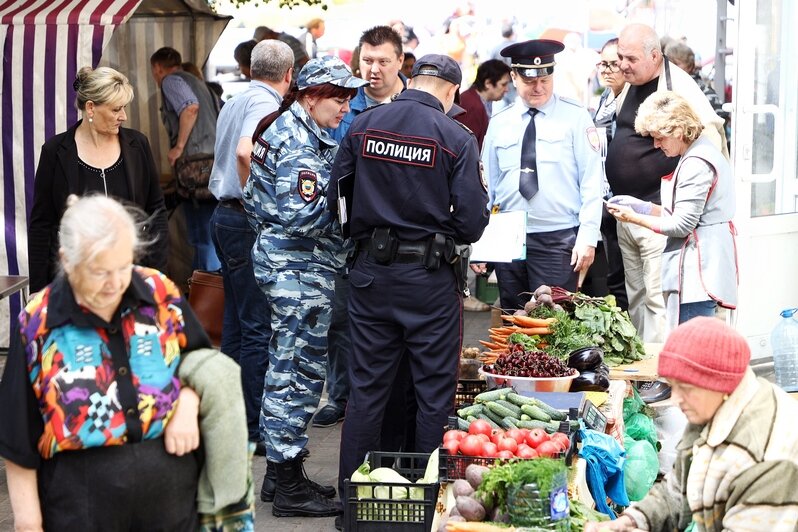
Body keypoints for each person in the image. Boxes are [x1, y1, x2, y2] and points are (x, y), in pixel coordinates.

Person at [329, 53, 489, 513]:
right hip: (428, 280)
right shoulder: (456, 137)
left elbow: (336, 198)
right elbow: (474, 220)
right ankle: (429, 505)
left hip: (370, 277)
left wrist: (364, 234)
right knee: (433, 392)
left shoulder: (364, 125)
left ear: (411, 78)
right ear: (453, 92)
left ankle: (352, 506)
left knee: (366, 391)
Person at [0, 195, 211, 530]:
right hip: (80, 510)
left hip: (174, 505)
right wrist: (28, 522)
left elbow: (202, 363)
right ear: (67, 261)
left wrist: (187, 401)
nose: (115, 283)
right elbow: (18, 437)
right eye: (100, 272)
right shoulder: (37, 322)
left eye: (123, 266)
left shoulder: (159, 292)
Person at [242, 56, 368, 518]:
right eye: (339, 97)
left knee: (288, 368)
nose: (345, 106)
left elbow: (258, 204)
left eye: (350, 97)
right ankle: (289, 484)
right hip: (298, 271)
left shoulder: (298, 130)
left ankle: (280, 473)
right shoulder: (297, 141)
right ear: (311, 97)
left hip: (292, 265)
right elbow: (301, 216)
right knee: (297, 375)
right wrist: (350, 208)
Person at [584, 317, 798, 532]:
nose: (676, 398)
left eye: (684, 387)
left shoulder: (768, 458)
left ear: (719, 384)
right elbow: (679, 488)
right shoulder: (714, 406)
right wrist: (630, 522)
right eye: (672, 386)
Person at [604, 23, 727, 343]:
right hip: (630, 212)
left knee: (659, 301)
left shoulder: (680, 87)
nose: (623, 65)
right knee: (637, 299)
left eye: (630, 58)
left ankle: (660, 373)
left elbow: (709, 141)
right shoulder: (630, 83)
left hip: (660, 215)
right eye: (620, 57)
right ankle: (644, 368)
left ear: (655, 55)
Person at [312, 25, 408, 430]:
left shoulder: (414, 108)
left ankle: (391, 396)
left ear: (400, 62)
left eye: (383, 61)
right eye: (367, 60)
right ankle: (340, 395)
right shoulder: (344, 109)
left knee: (395, 321)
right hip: (345, 234)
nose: (374, 69)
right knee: (341, 319)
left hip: (401, 235)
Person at [208, 40, 293, 461]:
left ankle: (235, 422)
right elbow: (246, 151)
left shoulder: (237, 98)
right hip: (243, 218)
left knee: (237, 327)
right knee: (256, 326)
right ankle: (255, 428)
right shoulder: (263, 103)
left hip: (225, 216)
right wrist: (260, 201)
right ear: (289, 74)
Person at [479, 39, 603, 310]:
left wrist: (588, 237)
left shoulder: (575, 117)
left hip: (556, 235)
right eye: (529, 80)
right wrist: (481, 239)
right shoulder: (500, 123)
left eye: (545, 79)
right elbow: (487, 185)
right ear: (513, 77)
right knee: (513, 321)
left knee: (553, 324)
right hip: (507, 235)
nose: (538, 87)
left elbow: (593, 181)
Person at [27, 66, 168, 294]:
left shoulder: (137, 145)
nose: (123, 116)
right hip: (75, 283)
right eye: (116, 110)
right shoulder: (55, 152)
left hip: (132, 278)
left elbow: (157, 211)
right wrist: (39, 289)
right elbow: (42, 224)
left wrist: (157, 274)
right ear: (91, 107)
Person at [606, 91, 737, 330]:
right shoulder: (699, 151)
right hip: (700, 266)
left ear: (678, 130)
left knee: (689, 347)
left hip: (697, 272)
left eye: (659, 138)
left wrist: (633, 217)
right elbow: (679, 213)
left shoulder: (697, 163)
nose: (656, 145)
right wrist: (642, 206)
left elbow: (682, 225)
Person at [150, 47, 221, 272]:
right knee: (207, 234)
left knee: (202, 237)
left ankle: (207, 296)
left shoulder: (171, 80)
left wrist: (179, 147)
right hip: (213, 166)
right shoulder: (201, 83)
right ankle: (204, 291)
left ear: (157, 68)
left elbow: (190, 107)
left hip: (196, 169)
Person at [587, 37, 628, 310]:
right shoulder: (605, 97)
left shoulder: (630, 99)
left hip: (623, 199)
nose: (607, 69)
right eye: (603, 63)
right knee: (608, 273)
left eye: (614, 64)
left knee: (621, 277)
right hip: (603, 197)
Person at [456, 59, 511, 149]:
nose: (507, 89)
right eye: (503, 84)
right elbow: (466, 147)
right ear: (488, 83)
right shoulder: (472, 105)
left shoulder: (480, 101)